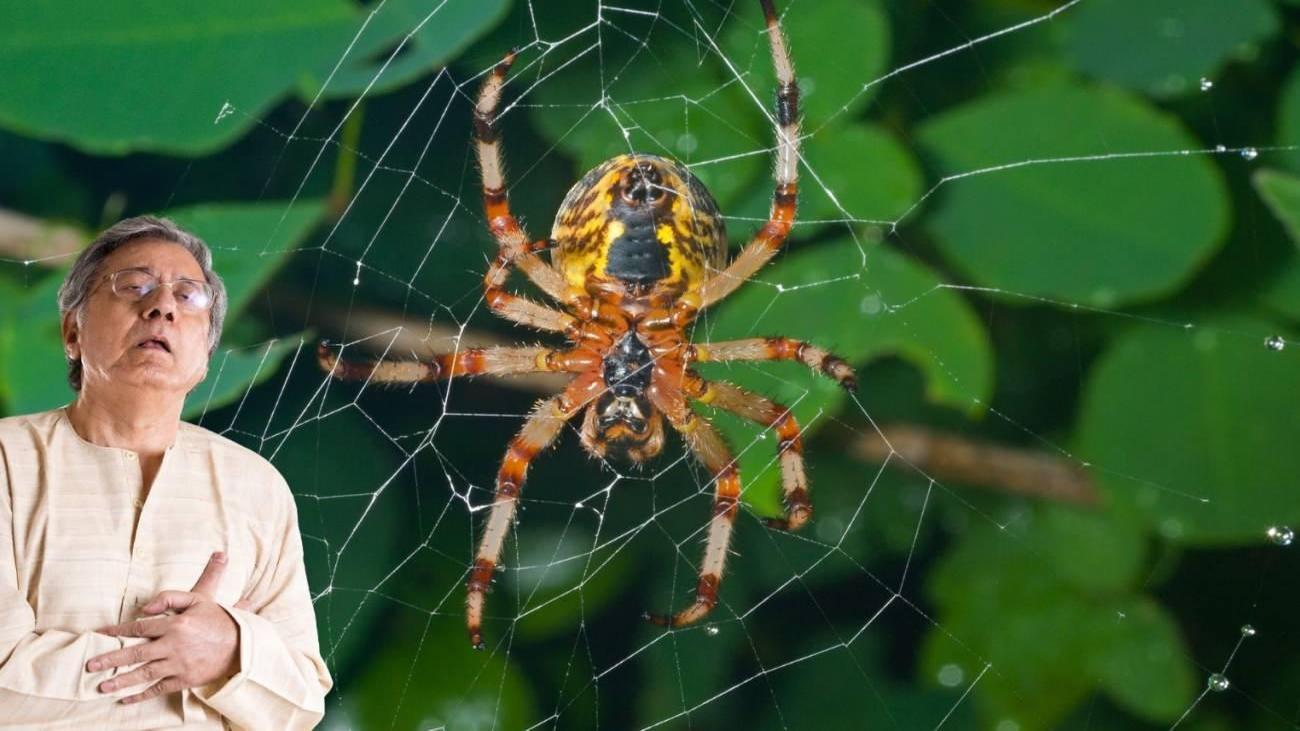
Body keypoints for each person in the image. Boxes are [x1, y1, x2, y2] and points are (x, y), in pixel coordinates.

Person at [0, 216, 331, 728]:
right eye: (134, 287)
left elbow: (301, 703)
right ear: (72, 332)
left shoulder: (255, 487)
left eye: (189, 298)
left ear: (204, 358)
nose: (162, 308)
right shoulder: (7, 460)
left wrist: (227, 649)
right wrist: (205, 673)